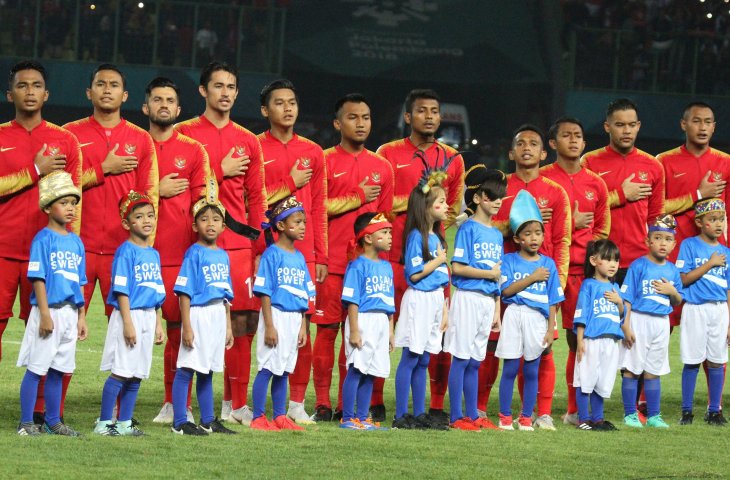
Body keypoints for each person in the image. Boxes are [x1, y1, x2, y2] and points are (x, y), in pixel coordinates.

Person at [176, 61, 267, 426]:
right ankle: (174, 403)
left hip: (238, 245)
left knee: (242, 323)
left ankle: (235, 403)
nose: (225, 92)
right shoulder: (184, 133)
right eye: (218, 86)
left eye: (231, 86)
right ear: (203, 90)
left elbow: (257, 198)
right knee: (180, 320)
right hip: (195, 242)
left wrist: (259, 248)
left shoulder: (248, 140)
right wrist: (218, 167)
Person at [1, 60, 82, 424]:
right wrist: (35, 171)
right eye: (22, 85)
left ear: (46, 94)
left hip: (49, 258)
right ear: (10, 93)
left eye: (36, 85)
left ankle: (45, 415)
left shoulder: (66, 140)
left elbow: (73, 198)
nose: (29, 91)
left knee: (55, 337)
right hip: (3, 250)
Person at [377, 89, 464, 424]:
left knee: (427, 349)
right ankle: (379, 405)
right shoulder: (388, 153)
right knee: (388, 339)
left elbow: (452, 208)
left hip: (433, 262)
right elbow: (383, 203)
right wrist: (413, 205)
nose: (429, 116)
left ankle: (427, 408)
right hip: (395, 259)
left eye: (435, 111)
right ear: (408, 117)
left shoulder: (453, 159)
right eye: (422, 111)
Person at [312, 94, 393, 421]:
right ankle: (321, 403)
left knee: (361, 335)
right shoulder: (324, 160)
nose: (361, 124)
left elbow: (384, 220)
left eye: (366, 117)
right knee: (327, 331)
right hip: (331, 263)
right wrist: (356, 197)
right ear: (337, 123)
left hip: (367, 268)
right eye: (353, 117)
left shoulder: (382, 167)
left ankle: (349, 406)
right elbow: (317, 210)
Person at [64, 63, 159, 320]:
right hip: (77, 245)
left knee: (126, 324)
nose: (107, 90)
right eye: (101, 84)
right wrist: (102, 169)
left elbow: (149, 196)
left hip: (123, 248)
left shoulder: (141, 139)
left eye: (114, 85)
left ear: (125, 95)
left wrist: (144, 246)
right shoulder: (69, 134)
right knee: (65, 321)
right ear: (89, 92)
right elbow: (58, 187)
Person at [492, 124, 571, 430]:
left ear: (543, 152)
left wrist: (558, 283)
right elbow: (486, 224)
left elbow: (563, 239)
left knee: (543, 353)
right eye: (520, 143)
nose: (527, 148)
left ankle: (543, 413)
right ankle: (492, 411)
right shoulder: (500, 188)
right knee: (499, 352)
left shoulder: (555, 192)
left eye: (533, 143)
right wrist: (511, 227)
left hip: (544, 286)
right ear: (511, 152)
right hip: (507, 284)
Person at [258, 79, 326, 424]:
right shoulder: (255, 147)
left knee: (303, 330)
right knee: (256, 324)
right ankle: (243, 404)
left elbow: (319, 207)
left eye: (293, 102)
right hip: (265, 251)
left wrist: (321, 255)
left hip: (305, 252)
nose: (288, 108)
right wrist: (289, 183)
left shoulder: (313, 151)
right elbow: (251, 201)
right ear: (265, 110)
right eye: (280, 103)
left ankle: (296, 403)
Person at [142, 77, 209, 425]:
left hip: (181, 253)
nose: (164, 104)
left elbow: (203, 202)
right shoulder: (137, 145)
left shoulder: (195, 151)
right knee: (132, 326)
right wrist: (158, 188)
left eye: (170, 99)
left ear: (179, 110)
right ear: (146, 107)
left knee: (177, 330)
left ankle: (173, 402)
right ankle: (123, 406)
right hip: (142, 253)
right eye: (157, 99)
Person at [657, 102, 730, 419]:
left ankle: (714, 405)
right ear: (683, 124)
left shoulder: (726, 163)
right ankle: (648, 400)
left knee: (716, 341)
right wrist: (697, 196)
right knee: (659, 331)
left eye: (708, 122)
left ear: (714, 127)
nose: (702, 126)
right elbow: (658, 209)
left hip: (716, 262)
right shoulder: (665, 162)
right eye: (696, 121)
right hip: (673, 260)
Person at [542, 117, 610, 425]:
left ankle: (573, 409)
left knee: (579, 339)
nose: (573, 140)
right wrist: (569, 222)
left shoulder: (596, 183)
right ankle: (533, 408)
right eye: (566, 136)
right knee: (538, 339)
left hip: (583, 273)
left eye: (578, 136)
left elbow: (603, 229)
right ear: (553, 143)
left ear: (584, 144)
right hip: (549, 269)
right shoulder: (543, 179)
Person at [17, 171, 86, 436]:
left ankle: (53, 420)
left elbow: (79, 281)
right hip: (48, 312)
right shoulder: (43, 239)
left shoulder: (76, 241)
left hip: (69, 313)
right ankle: (26, 423)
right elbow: (38, 278)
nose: (70, 208)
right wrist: (45, 314)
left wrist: (81, 317)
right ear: (47, 207)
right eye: (63, 203)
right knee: (37, 368)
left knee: (59, 369)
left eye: (73, 203)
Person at [94, 191, 165, 436]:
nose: (146, 220)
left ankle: (124, 423)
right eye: (139, 216)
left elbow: (156, 291)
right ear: (127, 223)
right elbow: (121, 290)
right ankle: (104, 423)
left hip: (147, 315)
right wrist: (127, 323)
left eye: (150, 215)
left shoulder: (154, 253)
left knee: (136, 374)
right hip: (130, 315)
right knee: (121, 371)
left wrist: (158, 324)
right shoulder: (126, 251)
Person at [170, 184, 237, 435]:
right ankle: (179, 422)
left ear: (223, 226)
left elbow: (226, 296)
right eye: (204, 219)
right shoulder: (193, 254)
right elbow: (184, 293)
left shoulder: (224, 255)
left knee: (208, 368)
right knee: (188, 367)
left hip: (217, 316)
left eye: (216, 219)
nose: (211, 223)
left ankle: (208, 419)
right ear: (195, 225)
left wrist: (228, 326)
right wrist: (187, 326)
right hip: (198, 315)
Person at [444, 165, 506, 431]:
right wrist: (487, 274)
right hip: (467, 296)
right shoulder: (467, 228)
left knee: (475, 360)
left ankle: (473, 414)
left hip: (486, 301)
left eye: (500, 197)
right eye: (491, 196)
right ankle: (457, 416)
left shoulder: (496, 233)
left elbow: (498, 277)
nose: (496, 201)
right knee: (461, 357)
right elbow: (456, 267)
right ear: (479, 198)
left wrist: (496, 310)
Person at [496, 190, 562, 431]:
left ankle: (526, 417)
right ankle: (504, 416)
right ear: (517, 238)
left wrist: (550, 328)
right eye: (528, 234)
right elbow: (506, 291)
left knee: (532, 368)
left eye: (538, 233)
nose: (534, 238)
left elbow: (554, 299)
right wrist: (532, 278)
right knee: (511, 367)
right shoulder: (511, 260)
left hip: (538, 319)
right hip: (514, 315)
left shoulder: (549, 264)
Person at [249, 196, 315, 431]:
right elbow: (264, 292)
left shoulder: (299, 258)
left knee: (284, 369)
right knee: (267, 367)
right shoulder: (272, 255)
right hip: (275, 315)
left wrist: (303, 327)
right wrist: (269, 325)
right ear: (280, 226)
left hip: (294, 319)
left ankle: (279, 416)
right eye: (296, 222)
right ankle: (258, 417)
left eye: (303, 222)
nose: (302, 227)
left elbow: (304, 296)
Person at [581, 98, 665, 283]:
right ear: (607, 127)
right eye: (620, 125)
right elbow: (585, 211)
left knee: (637, 313)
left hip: (639, 260)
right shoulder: (589, 162)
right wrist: (621, 195)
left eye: (631, 125)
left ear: (638, 126)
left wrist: (656, 258)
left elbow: (656, 217)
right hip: (600, 257)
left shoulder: (653, 165)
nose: (627, 131)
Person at [392, 177, 450, 430]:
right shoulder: (417, 237)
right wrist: (438, 261)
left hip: (435, 301)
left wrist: (445, 309)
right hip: (419, 301)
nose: (447, 206)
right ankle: (402, 414)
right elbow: (414, 275)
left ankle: (418, 413)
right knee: (412, 356)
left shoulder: (435, 236)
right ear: (426, 208)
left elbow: (441, 279)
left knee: (425, 359)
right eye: (441, 202)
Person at [619, 215, 683, 429]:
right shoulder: (638, 266)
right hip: (640, 319)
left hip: (662, 323)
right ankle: (630, 414)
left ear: (674, 244)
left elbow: (677, 300)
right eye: (658, 237)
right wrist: (626, 325)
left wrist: (672, 291)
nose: (663, 243)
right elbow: (626, 299)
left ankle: (655, 416)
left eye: (667, 239)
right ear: (648, 241)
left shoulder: (673, 270)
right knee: (633, 368)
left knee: (654, 369)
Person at [676, 198, 730, 426]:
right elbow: (682, 280)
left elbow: (728, 289)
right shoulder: (688, 245)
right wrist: (709, 264)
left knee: (717, 360)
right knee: (692, 360)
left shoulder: (726, 251)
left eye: (722, 219)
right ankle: (687, 412)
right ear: (700, 222)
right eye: (713, 219)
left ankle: (714, 410)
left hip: (719, 310)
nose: (718, 224)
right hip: (695, 308)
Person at [340, 212, 395, 430]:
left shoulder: (386, 267)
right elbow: (352, 301)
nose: (390, 236)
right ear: (368, 238)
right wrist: (354, 330)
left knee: (371, 371)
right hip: (362, 320)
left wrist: (390, 331)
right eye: (384, 232)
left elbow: (389, 303)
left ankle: (362, 417)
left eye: (390, 231)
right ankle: (347, 417)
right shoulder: (357, 265)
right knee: (357, 368)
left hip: (381, 322)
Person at [572, 239, 625, 431]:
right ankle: (584, 419)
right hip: (591, 340)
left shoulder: (615, 288)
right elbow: (582, 313)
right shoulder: (589, 285)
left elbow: (620, 315)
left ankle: (598, 419)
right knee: (585, 378)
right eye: (607, 259)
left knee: (602, 381)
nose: (613, 264)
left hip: (611, 342)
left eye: (616, 260)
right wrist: (580, 341)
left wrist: (619, 302)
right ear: (594, 261)